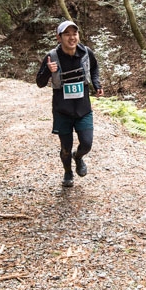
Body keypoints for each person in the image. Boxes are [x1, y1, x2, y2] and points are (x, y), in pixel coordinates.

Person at [35, 20, 102, 187]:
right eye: (67, 34)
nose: (72, 37)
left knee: (86, 144)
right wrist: (48, 70)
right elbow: (40, 83)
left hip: (83, 109)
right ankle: (68, 172)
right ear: (59, 38)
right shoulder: (52, 57)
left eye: (74, 33)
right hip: (62, 110)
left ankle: (78, 157)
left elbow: (94, 68)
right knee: (65, 147)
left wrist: (97, 84)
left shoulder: (86, 52)